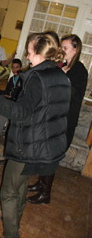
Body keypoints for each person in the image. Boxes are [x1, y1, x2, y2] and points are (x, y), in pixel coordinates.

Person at [0, 33, 71, 237]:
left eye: (30, 53)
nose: (28, 57)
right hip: (47, 145)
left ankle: (11, 234)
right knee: (20, 187)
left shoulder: (36, 77)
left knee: (9, 192)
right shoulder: (61, 76)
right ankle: (15, 225)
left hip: (29, 144)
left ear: (40, 54)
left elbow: (20, 112)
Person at [27, 34, 88, 205]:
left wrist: (63, 76)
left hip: (66, 121)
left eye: (65, 48)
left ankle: (46, 194)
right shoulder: (62, 66)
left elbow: (73, 94)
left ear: (75, 50)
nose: (61, 51)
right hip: (53, 117)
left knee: (53, 156)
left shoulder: (79, 71)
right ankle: (41, 184)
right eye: (61, 47)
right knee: (47, 153)